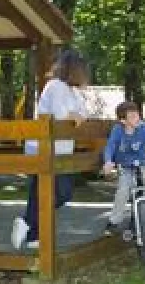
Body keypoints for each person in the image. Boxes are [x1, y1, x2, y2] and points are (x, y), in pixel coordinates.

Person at [11, 49, 89, 249]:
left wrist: (77, 112)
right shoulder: (54, 86)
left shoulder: (71, 90)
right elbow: (61, 114)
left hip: (61, 150)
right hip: (44, 149)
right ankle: (31, 229)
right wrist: (74, 115)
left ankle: (29, 227)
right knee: (51, 192)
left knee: (55, 193)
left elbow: (84, 113)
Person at [101, 101, 145, 236]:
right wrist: (108, 161)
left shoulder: (143, 128)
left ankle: (144, 219)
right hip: (127, 166)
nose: (136, 118)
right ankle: (114, 222)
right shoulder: (118, 130)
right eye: (131, 116)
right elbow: (110, 146)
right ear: (123, 120)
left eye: (137, 115)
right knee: (123, 190)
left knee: (141, 186)